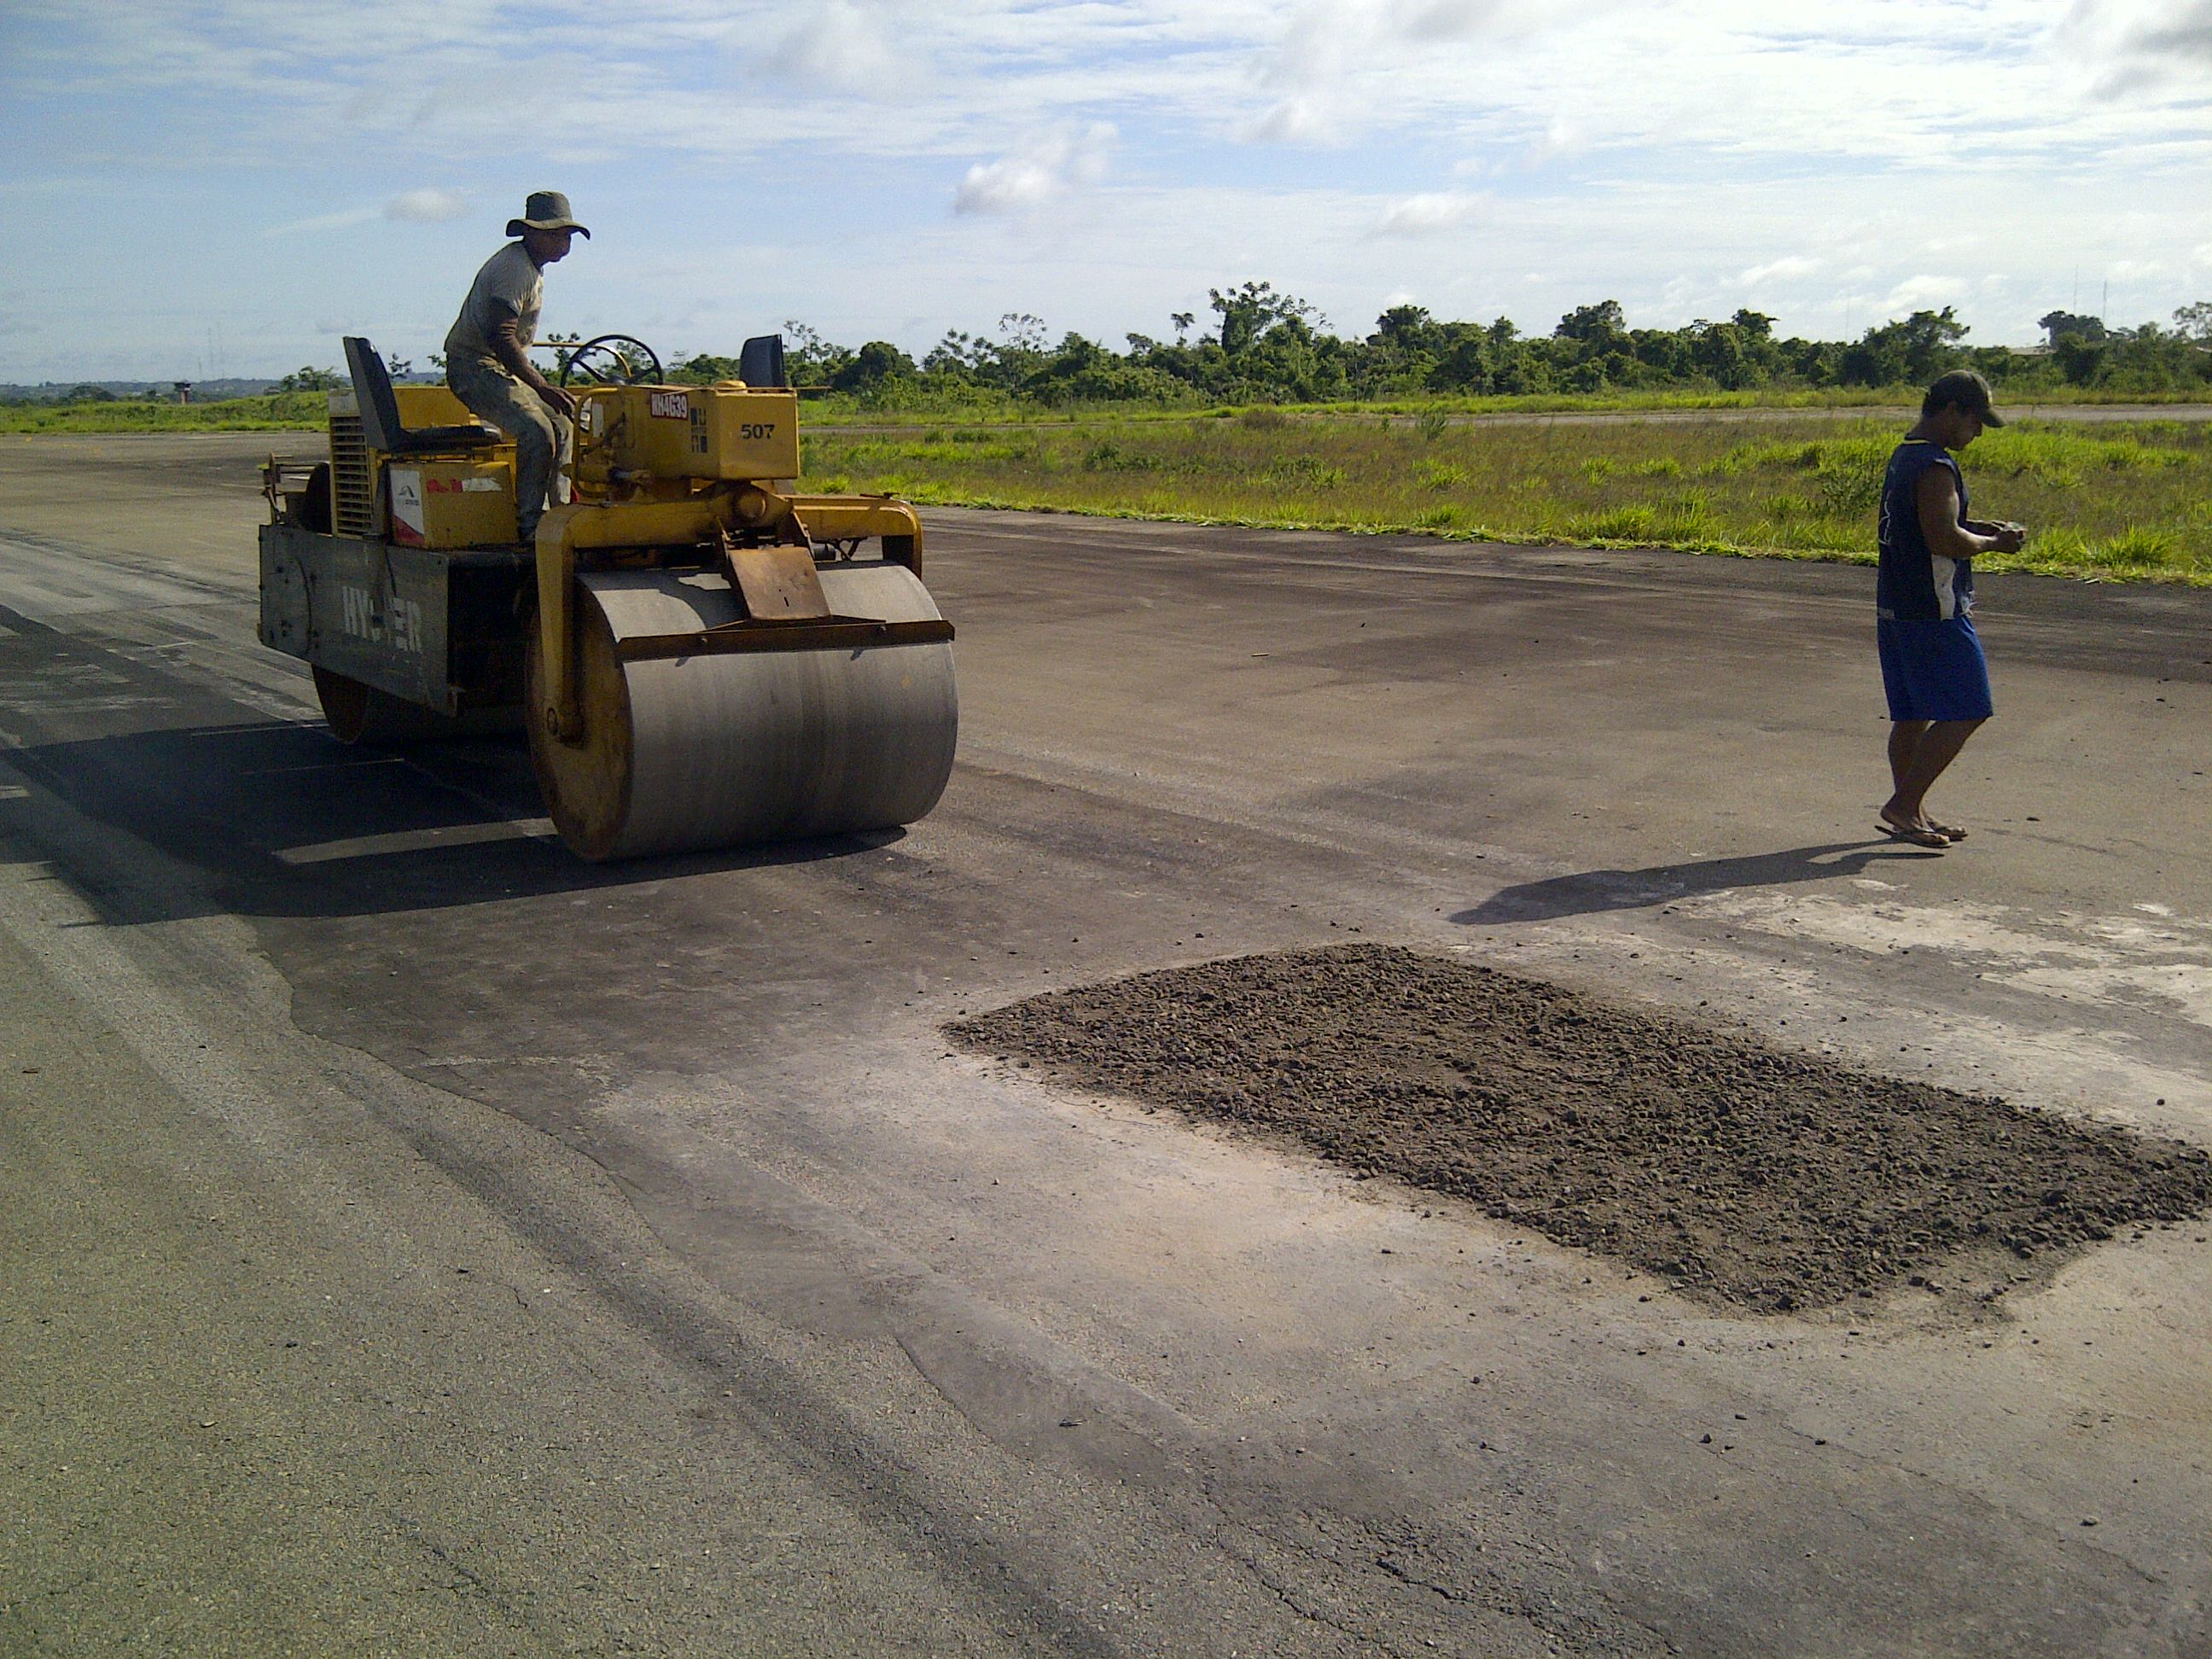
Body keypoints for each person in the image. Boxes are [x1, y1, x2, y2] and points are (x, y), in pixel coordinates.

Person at [1873, 369, 2025, 848]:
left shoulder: (1906, 455)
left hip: (1897, 604)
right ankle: (1903, 805)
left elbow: (1926, 525)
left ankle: (1912, 813)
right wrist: (1994, 544)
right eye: (1975, 421)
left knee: (1913, 714)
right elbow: (1943, 539)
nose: (1977, 432)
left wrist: (1975, 527)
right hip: (1934, 609)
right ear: (1952, 411)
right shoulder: (1937, 465)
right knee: (1969, 708)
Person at [444, 191, 589, 542]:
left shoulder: (532, 268)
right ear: (531, 233)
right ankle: (531, 527)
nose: (563, 243)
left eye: (567, 236)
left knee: (563, 423)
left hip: (498, 367)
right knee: (537, 432)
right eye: (555, 235)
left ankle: (560, 517)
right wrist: (542, 386)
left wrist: (543, 390)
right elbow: (502, 336)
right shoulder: (514, 269)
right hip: (474, 367)